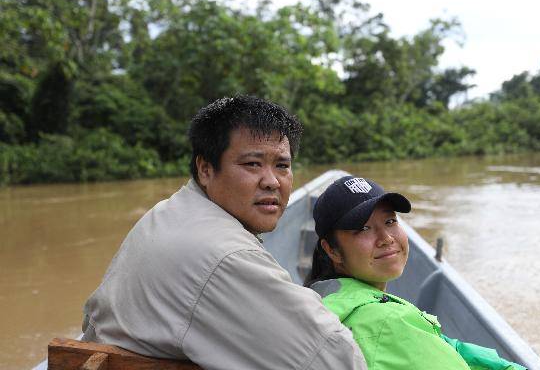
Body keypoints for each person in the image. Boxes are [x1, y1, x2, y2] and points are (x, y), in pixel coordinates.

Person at [81, 96, 367, 369]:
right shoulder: (226, 255)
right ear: (205, 169)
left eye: (282, 165)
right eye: (252, 164)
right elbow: (335, 360)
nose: (271, 182)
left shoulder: (168, 211)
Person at [305, 175, 526, 370]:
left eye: (390, 221)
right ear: (331, 249)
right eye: (363, 228)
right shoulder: (389, 321)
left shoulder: (321, 301)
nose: (386, 238)